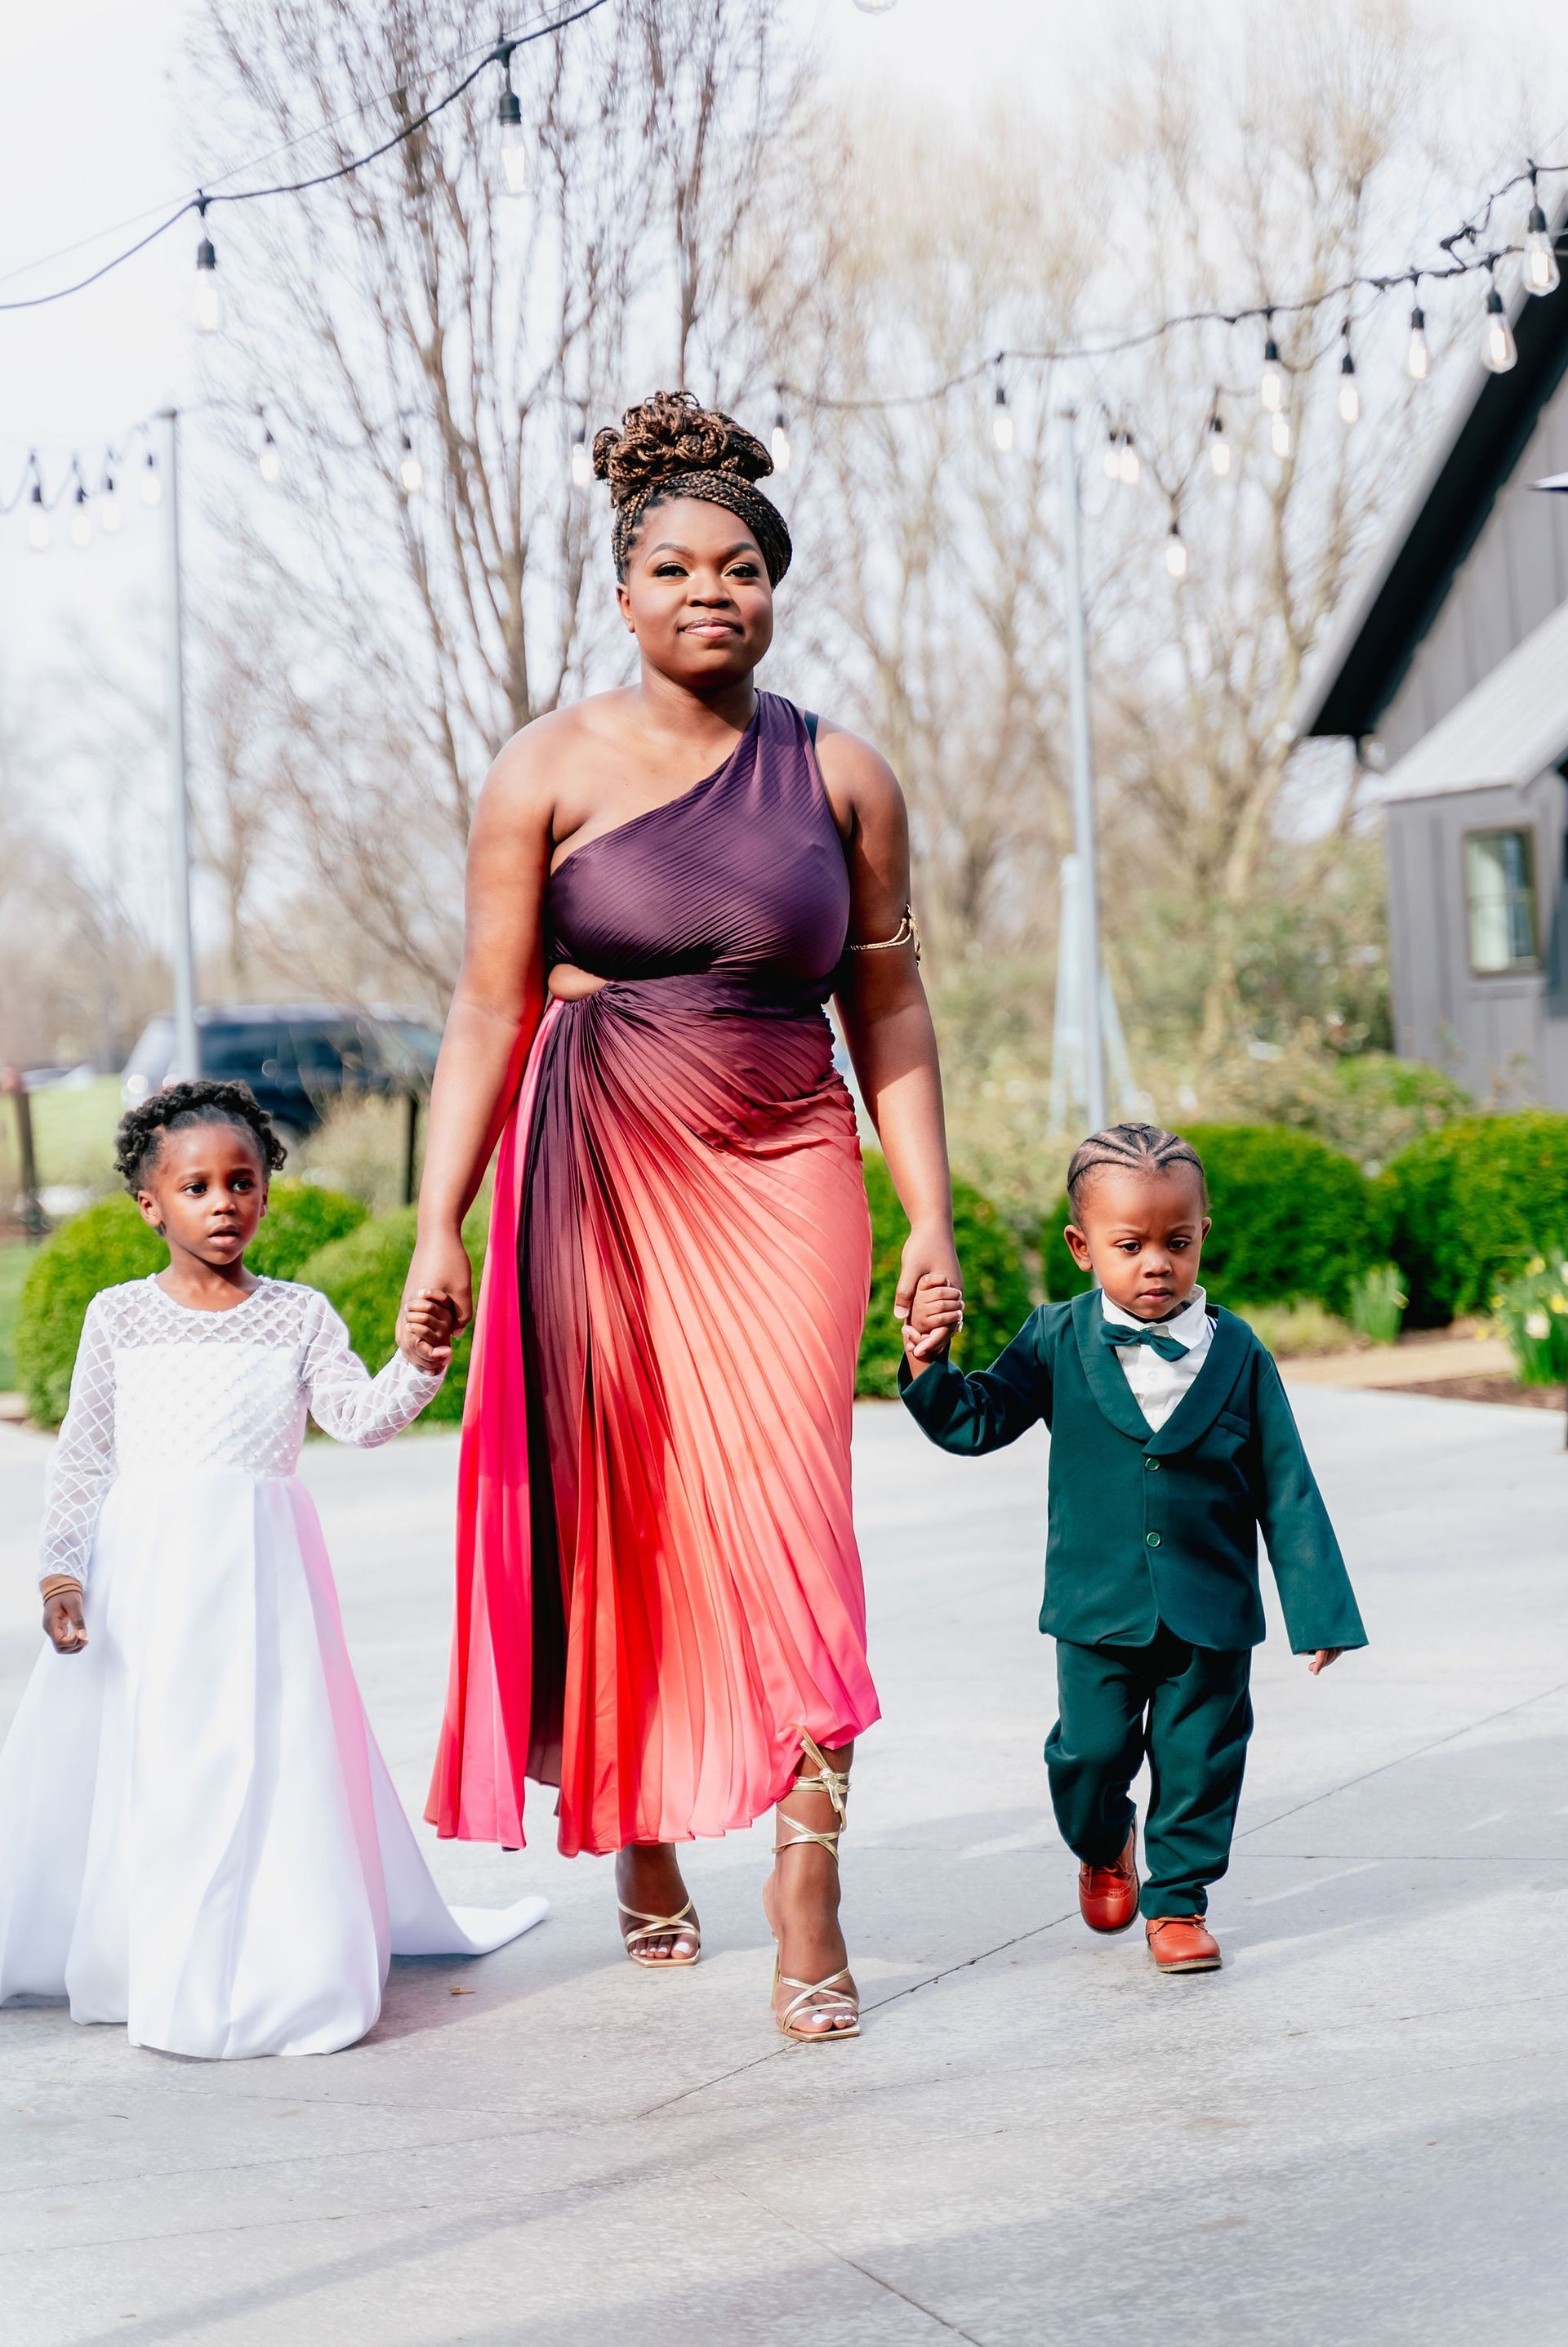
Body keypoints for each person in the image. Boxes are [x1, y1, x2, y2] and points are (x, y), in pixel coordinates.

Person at [397, 390, 959, 2042]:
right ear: (624, 594)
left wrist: (928, 1215)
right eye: (675, 566)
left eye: (742, 567)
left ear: (776, 590)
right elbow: (487, 1014)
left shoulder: (841, 775)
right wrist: (440, 1224)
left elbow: (897, 1014)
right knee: (625, 1507)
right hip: (590, 1172)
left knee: (794, 1510)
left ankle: (807, 1867)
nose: (711, 590)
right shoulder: (542, 770)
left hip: (790, 1157)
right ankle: (637, 1828)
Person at [0, 1080, 546, 2060]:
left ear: (266, 1194)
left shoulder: (296, 1316)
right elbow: (84, 1453)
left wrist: (418, 1359)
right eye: (197, 1185)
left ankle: (280, 1952)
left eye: (241, 1181)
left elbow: (361, 1420)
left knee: (269, 1751)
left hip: (265, 1578)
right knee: (168, 1760)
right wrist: (60, 1575)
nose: (222, 1203)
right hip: (152, 1577)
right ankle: (151, 1953)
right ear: (149, 1204)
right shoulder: (119, 1318)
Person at [899, 1120, 1365, 1974]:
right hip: (1095, 1606)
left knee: (1200, 1759)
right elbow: (977, 1421)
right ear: (1082, 1247)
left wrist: (1319, 1610)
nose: (1157, 1262)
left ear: (1202, 1238)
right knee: (1090, 1752)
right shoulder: (1054, 1338)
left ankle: (1178, 1903)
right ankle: (1104, 1838)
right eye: (1131, 1244)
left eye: (1177, 1242)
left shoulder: (1240, 1352)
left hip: (1210, 1612)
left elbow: (1287, 1485)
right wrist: (930, 1366)